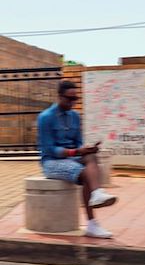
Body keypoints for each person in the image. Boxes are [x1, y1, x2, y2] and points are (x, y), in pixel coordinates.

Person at [37, 81, 118, 238]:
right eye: (69, 99)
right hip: (51, 163)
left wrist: (86, 149)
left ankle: (97, 193)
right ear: (59, 97)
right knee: (85, 172)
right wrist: (75, 151)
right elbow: (49, 150)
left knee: (91, 157)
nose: (73, 102)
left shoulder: (75, 116)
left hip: (72, 158)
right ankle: (92, 223)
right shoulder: (45, 118)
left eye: (76, 99)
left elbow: (78, 142)